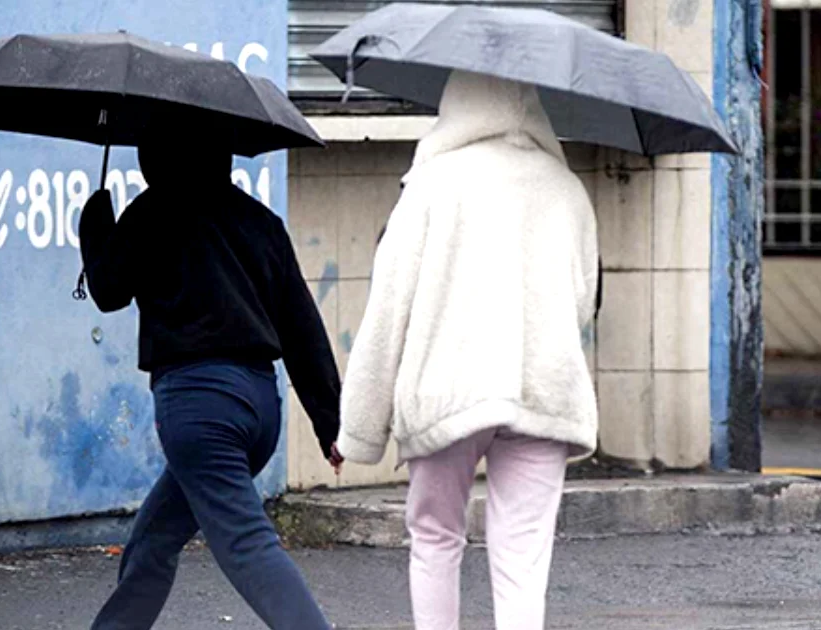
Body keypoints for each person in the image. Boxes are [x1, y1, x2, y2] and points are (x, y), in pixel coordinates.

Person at [336, 70, 600, 630]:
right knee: (523, 557)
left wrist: (360, 429)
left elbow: (389, 311)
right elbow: (582, 301)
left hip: (446, 391)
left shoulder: (432, 184)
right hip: (543, 389)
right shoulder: (567, 188)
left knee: (434, 537)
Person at [82, 136, 343, 630]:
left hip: (199, 409)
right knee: (153, 540)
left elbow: (108, 289)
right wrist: (330, 422)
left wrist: (96, 222)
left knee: (247, 545)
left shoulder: (152, 212)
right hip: (259, 408)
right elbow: (302, 326)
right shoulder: (260, 221)